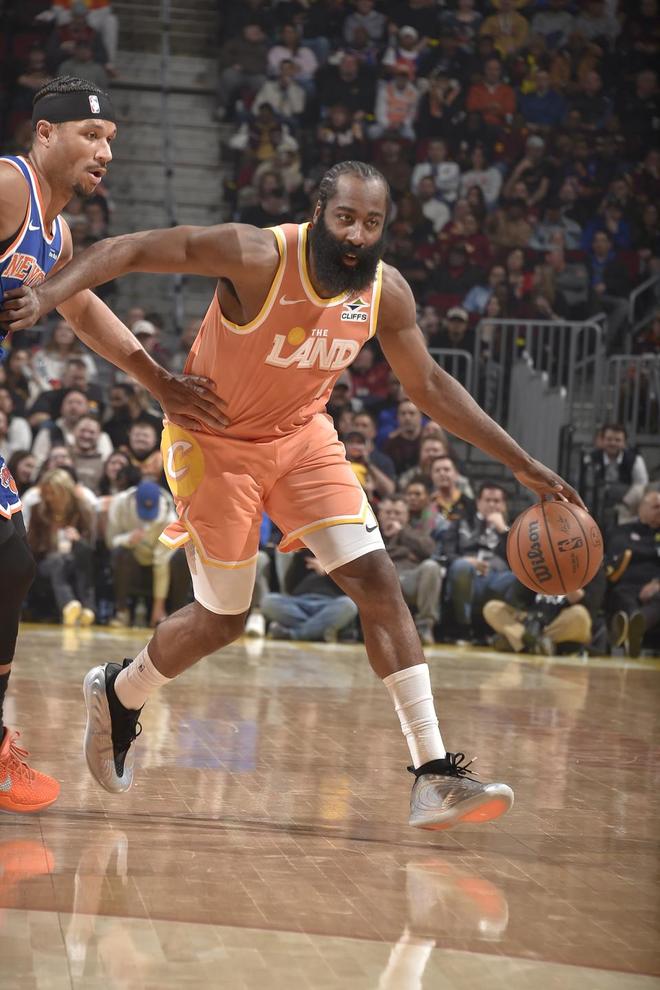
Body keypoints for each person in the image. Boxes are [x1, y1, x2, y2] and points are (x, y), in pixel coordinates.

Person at [3, 160, 585, 832]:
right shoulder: (255, 255)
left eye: (372, 224)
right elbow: (126, 249)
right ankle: (121, 689)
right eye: (346, 218)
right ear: (318, 215)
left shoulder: (385, 293)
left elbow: (428, 386)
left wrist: (521, 464)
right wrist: (46, 296)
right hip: (214, 443)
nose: (357, 235)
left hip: (302, 439)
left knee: (379, 583)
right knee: (223, 619)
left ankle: (434, 774)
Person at [0, 75, 231, 814]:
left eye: (110, 140)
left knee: (10, 564)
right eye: (90, 135)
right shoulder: (8, 186)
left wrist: (160, 381)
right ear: (44, 134)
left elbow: (84, 310)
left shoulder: (57, 234)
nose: (104, 151)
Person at [27, 467, 96, 625]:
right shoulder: (38, 510)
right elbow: (32, 545)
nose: (49, 498)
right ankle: (68, 605)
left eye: (53, 493)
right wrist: (47, 544)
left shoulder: (82, 510)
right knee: (57, 561)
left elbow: (90, 546)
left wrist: (78, 539)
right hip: (46, 562)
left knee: (82, 556)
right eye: (46, 493)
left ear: (65, 491)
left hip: (72, 560)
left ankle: (87, 609)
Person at [378, 496, 443, 646]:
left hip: (409, 580)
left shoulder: (413, 532)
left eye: (397, 513)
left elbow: (429, 549)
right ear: (379, 515)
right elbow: (369, 557)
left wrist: (402, 532)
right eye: (388, 512)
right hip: (384, 581)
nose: (392, 517)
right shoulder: (371, 533)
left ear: (407, 515)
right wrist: (405, 552)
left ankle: (424, 627)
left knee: (431, 567)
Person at [262, 549, 358, 643]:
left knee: (349, 604)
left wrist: (328, 572)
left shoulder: (341, 557)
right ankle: (318, 631)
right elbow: (289, 588)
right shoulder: (303, 556)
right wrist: (297, 558)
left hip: (330, 604)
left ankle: (294, 634)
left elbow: (349, 589)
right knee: (269, 601)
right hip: (299, 603)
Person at [607, 490, 660, 658]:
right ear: (641, 508)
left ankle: (633, 627)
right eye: (656, 507)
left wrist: (657, 583)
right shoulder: (622, 531)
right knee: (621, 595)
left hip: (655, 588)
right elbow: (614, 557)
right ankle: (634, 628)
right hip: (626, 586)